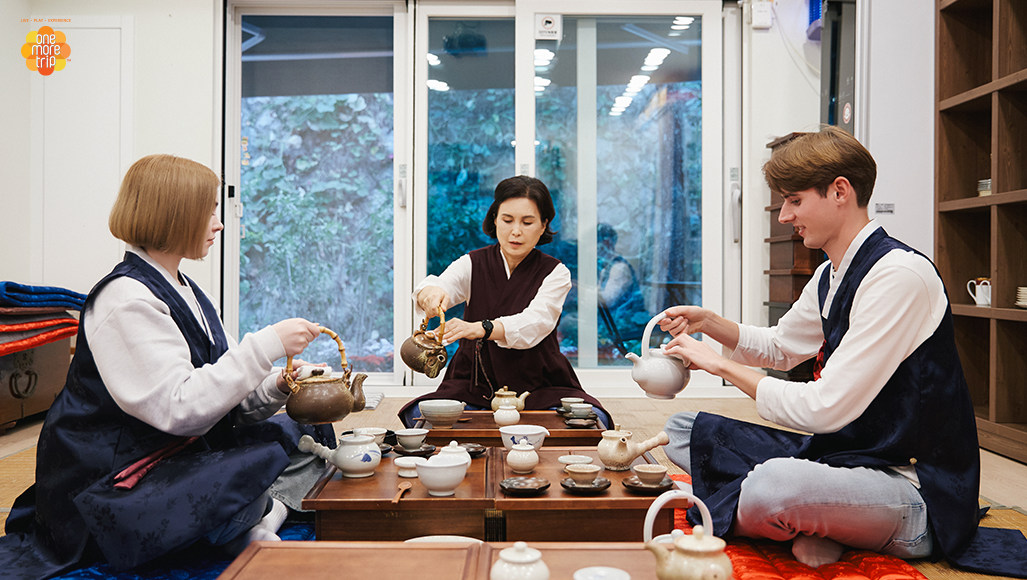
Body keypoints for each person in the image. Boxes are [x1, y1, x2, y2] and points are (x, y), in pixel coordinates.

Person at [657, 127, 1027, 576]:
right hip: (846, 457)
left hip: (910, 486)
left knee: (772, 487)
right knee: (684, 429)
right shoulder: (831, 273)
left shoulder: (899, 277)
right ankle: (820, 522)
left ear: (839, 191)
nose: (784, 217)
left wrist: (716, 363)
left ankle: (810, 518)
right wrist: (710, 324)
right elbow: (780, 347)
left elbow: (822, 409)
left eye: (793, 201)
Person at [0, 154, 336, 578]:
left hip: (184, 451)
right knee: (241, 475)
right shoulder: (124, 300)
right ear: (173, 218)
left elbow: (228, 400)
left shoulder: (186, 289)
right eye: (208, 213)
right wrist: (268, 344)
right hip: (117, 478)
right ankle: (247, 520)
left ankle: (258, 520)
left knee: (307, 432)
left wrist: (281, 386)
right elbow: (181, 409)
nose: (219, 224)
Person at [398, 176, 612, 428]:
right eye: (507, 220)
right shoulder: (472, 263)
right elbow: (442, 285)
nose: (516, 231)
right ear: (495, 219)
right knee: (419, 416)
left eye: (528, 222)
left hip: (540, 385)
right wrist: (430, 294)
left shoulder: (556, 272)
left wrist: (481, 328)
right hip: (475, 383)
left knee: (596, 420)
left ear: (543, 225)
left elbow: (535, 323)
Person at [596, 223, 646, 355]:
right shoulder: (606, 268)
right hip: (612, 325)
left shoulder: (619, 267)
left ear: (606, 243)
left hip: (625, 327)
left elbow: (607, 300)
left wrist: (581, 289)